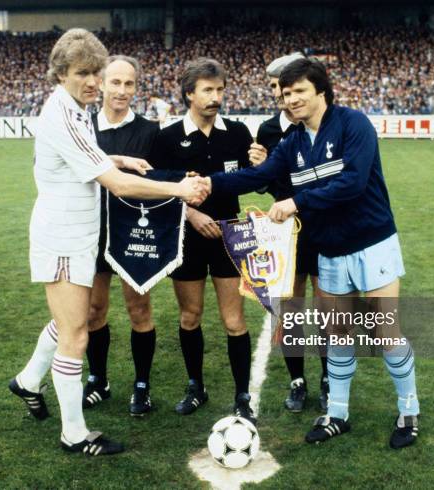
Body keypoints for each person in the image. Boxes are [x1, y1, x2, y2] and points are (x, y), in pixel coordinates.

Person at [8, 28, 207, 457]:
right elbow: (115, 184)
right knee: (76, 333)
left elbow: (88, 159)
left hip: (80, 235)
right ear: (60, 74)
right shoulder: (62, 113)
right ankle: (74, 435)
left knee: (69, 323)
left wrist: (116, 157)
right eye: (84, 73)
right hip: (62, 237)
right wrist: (179, 191)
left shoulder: (77, 108)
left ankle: (27, 381)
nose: (95, 82)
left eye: (97, 72)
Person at [205, 58, 420, 449]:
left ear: (321, 90)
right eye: (286, 94)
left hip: (373, 243)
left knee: (385, 331)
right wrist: (207, 183)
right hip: (330, 251)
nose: (291, 99)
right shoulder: (293, 142)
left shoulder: (354, 124)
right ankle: (337, 413)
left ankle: (409, 409)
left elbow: (353, 183)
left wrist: (295, 202)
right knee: (336, 332)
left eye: (299, 91)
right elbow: (257, 175)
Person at [149, 58, 257, 424]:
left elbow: (252, 180)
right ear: (189, 94)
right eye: (208, 90)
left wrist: (262, 163)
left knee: (233, 319)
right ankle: (196, 386)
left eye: (220, 89)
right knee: (190, 315)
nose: (216, 97)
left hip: (229, 234)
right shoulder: (165, 139)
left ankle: (243, 394)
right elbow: (157, 188)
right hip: (187, 236)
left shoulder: (238, 133)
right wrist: (191, 214)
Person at [248, 52, 329, 413]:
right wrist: (263, 171)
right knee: (290, 308)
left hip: (324, 224)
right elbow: (268, 185)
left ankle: (329, 378)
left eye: (287, 87)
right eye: (275, 87)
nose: (281, 95)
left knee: (327, 306)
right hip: (285, 229)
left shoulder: (322, 124)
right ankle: (298, 380)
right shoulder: (267, 130)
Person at [83, 55, 162, 416]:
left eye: (129, 84)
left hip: (135, 233)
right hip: (91, 230)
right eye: (115, 82)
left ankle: (141, 385)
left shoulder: (148, 131)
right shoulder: (83, 126)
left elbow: (159, 183)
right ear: (101, 83)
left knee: (139, 309)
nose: (122, 91)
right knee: (94, 310)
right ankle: (98, 379)